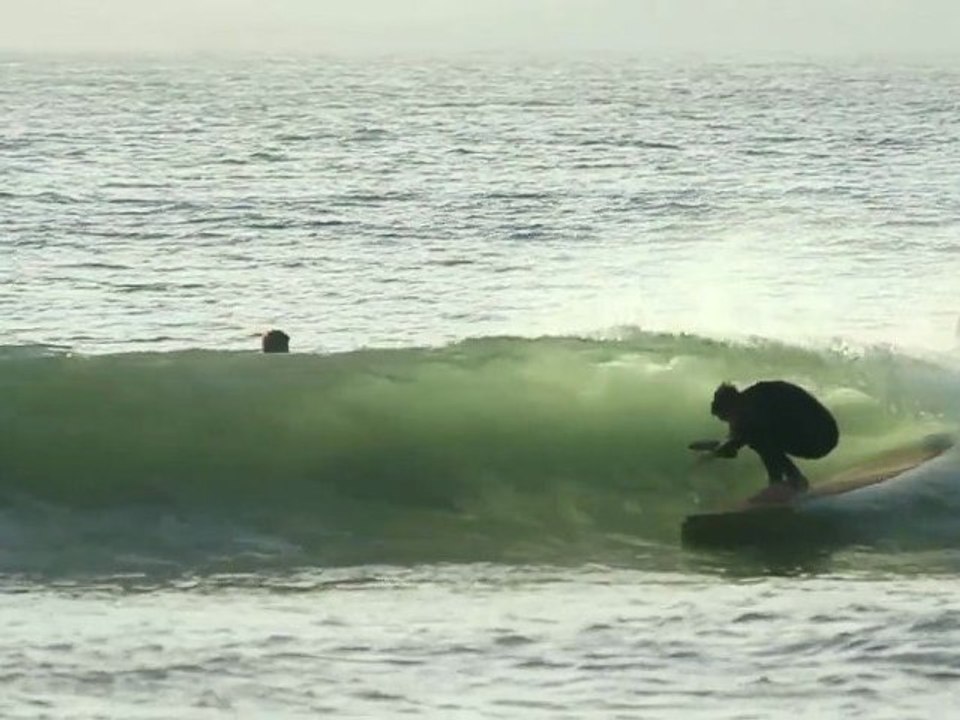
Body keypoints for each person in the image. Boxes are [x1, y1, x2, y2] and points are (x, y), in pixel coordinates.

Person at [705, 380, 839, 493]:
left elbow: (754, 437)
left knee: (756, 436)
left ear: (732, 405)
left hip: (821, 436)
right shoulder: (750, 401)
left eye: (728, 417)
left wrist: (730, 445)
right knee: (754, 434)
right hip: (819, 433)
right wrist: (715, 452)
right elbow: (737, 441)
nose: (730, 422)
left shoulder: (758, 402)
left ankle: (785, 482)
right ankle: (791, 479)